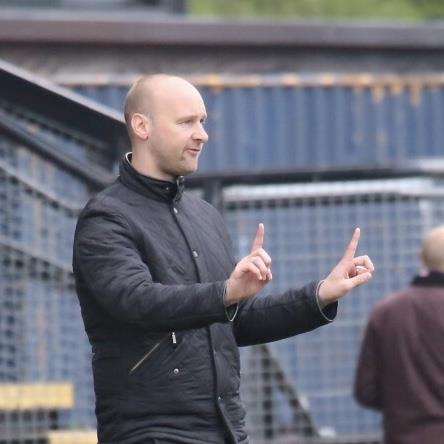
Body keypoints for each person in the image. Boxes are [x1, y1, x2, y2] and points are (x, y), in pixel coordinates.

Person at [73, 74, 374, 444]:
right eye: (186, 122)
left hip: (225, 428)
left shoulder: (205, 215)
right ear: (141, 126)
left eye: (202, 121)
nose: (202, 134)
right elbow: (136, 302)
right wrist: (225, 293)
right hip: (151, 432)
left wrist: (321, 295)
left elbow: (234, 322)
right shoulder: (106, 218)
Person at [354, 226, 444, 444]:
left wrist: (403, 406)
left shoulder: (386, 312)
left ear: (422, 259)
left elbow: (365, 390)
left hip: (403, 435)